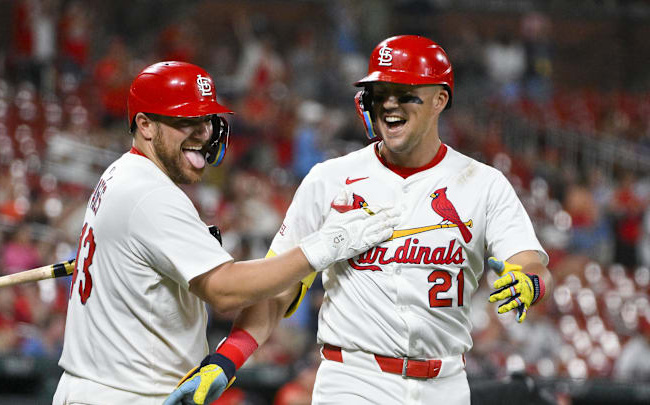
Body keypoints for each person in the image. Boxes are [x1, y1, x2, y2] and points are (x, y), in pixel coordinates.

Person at [171, 35, 554, 404]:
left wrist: (529, 282)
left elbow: (530, 261)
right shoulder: (329, 179)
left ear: (440, 99)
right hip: (354, 380)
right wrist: (227, 358)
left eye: (405, 95)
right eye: (380, 94)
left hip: (446, 383)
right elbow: (278, 289)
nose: (389, 105)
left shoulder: (483, 184)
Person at [52, 61, 399, 405]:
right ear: (145, 125)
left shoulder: (122, 173)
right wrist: (322, 247)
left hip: (107, 387)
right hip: (124, 393)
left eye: (206, 119)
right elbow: (225, 291)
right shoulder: (150, 193)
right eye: (186, 120)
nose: (203, 133)